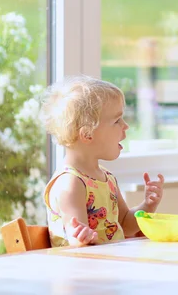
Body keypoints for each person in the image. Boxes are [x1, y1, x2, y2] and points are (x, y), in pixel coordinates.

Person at [40, 75, 165, 247]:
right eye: (117, 120)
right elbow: (78, 245)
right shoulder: (70, 184)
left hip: (108, 266)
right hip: (84, 271)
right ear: (87, 134)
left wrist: (147, 206)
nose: (126, 126)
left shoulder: (107, 178)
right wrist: (85, 238)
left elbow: (125, 225)